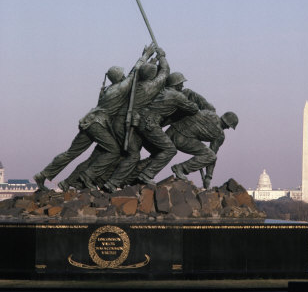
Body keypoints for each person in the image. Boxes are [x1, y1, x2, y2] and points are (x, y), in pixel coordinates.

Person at [33, 44, 155, 190]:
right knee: (114, 150)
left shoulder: (110, 89)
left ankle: (43, 174)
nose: (123, 76)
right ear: (118, 77)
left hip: (89, 121)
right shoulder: (120, 89)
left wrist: (147, 62)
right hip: (98, 124)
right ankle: (87, 176)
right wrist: (145, 56)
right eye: (121, 74)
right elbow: (133, 74)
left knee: (71, 153)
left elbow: (131, 77)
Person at [72, 47, 170, 190]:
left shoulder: (132, 85)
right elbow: (165, 72)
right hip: (125, 123)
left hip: (117, 122)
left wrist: (150, 59)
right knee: (133, 155)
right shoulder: (151, 87)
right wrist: (162, 57)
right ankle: (105, 180)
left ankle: (99, 179)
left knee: (121, 153)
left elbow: (135, 73)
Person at [168, 110, 238, 189]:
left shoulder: (208, 113)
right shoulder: (220, 134)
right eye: (229, 126)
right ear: (227, 124)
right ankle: (180, 168)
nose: (228, 128)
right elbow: (212, 156)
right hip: (182, 139)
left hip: (172, 131)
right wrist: (208, 176)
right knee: (211, 156)